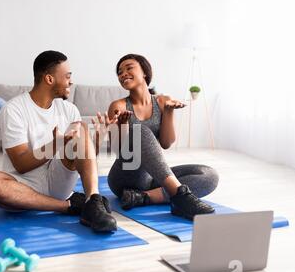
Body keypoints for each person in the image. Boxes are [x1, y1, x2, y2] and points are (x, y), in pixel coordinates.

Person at [0, 50, 117, 232]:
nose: (71, 81)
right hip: (23, 185)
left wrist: (98, 139)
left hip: (59, 178)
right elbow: (20, 164)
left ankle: (93, 201)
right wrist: (55, 145)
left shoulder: (69, 109)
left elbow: (82, 158)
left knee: (81, 128)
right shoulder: (13, 110)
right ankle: (68, 206)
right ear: (49, 79)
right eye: (67, 76)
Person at [93, 54, 219, 220]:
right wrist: (123, 126)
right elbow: (119, 152)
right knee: (140, 131)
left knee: (209, 175)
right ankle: (180, 196)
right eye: (119, 72)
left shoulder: (162, 101)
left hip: (152, 177)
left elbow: (166, 143)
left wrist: (168, 112)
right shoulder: (118, 106)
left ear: (144, 72)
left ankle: (143, 197)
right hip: (125, 176)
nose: (123, 73)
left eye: (129, 68)